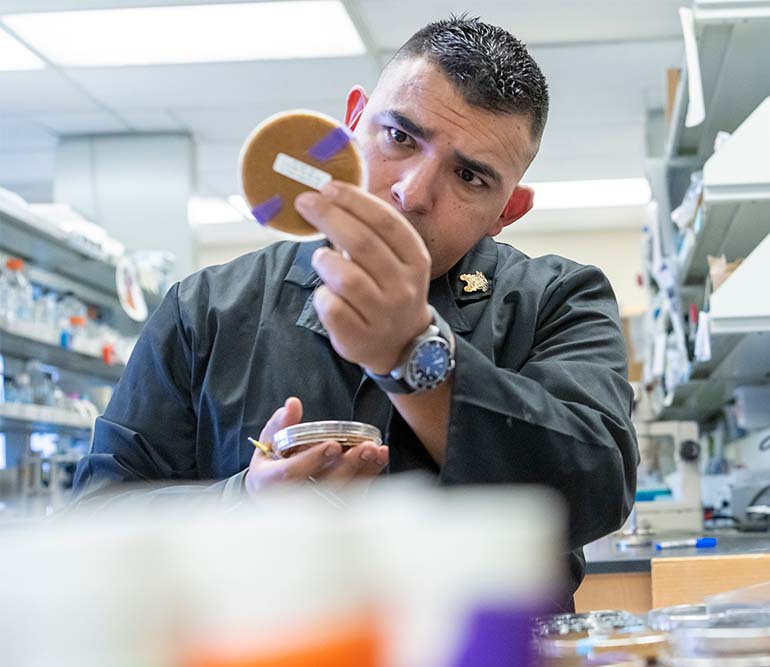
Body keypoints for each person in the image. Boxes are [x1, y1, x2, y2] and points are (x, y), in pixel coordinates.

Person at [73, 16, 639, 603]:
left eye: (469, 176)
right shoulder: (206, 308)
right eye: (399, 137)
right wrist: (244, 501)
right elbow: (97, 518)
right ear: (351, 123)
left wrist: (415, 357)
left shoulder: (558, 299)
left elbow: (596, 489)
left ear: (507, 211)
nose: (413, 193)